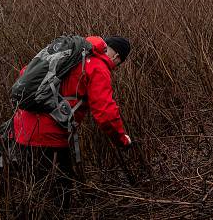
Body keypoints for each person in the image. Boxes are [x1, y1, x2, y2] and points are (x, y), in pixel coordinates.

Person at [12, 35, 132, 212]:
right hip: (49, 137)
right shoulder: (98, 66)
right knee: (58, 197)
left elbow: (27, 74)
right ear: (117, 57)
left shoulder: (70, 54)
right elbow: (106, 114)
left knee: (30, 193)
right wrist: (122, 140)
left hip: (21, 129)